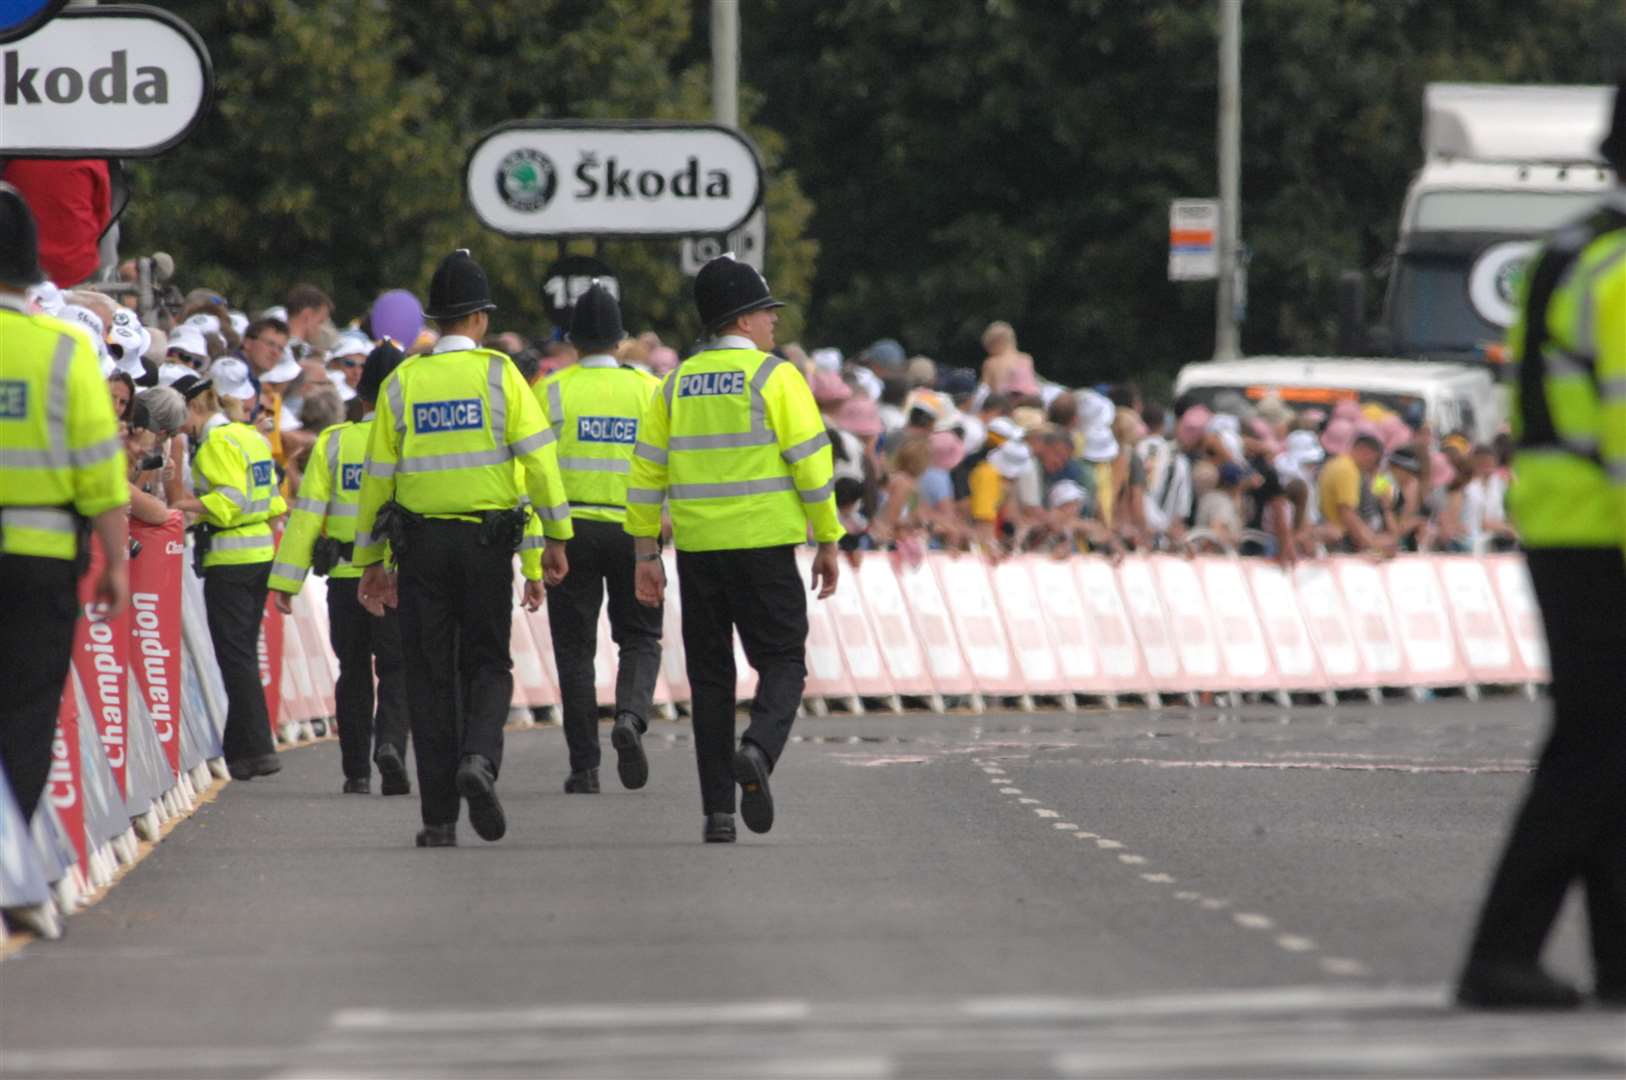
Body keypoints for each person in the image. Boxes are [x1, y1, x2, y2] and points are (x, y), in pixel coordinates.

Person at [1456, 83, 1626, 1011]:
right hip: (1604, 529)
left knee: (1607, 743)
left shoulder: (1573, 247)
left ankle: (1615, 956)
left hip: (1568, 524)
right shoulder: (1622, 269)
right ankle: (1500, 952)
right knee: (1596, 749)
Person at [352, 249, 572, 848]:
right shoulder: (501, 374)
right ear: (477, 318)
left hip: (419, 547)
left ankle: (439, 819)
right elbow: (540, 462)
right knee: (487, 663)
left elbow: (377, 477)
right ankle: (479, 757)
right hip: (485, 546)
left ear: (437, 319)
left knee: (428, 676)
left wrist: (369, 560)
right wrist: (555, 537)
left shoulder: (402, 382)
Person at [625, 254, 842, 843]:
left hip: (697, 553)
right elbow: (812, 466)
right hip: (766, 546)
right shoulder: (776, 378)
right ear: (742, 321)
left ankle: (718, 812)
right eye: (768, 312)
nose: (774, 322)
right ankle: (758, 750)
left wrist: (646, 554)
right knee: (783, 662)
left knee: (711, 680)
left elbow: (645, 476)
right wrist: (828, 537)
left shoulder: (673, 385)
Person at [0, 183, 130, 822]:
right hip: (40, 559)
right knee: (27, 709)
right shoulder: (66, 348)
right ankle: (9, 863)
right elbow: (101, 470)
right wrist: (117, 562)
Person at [535, 284, 663, 794]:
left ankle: (584, 767)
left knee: (573, 649)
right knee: (639, 637)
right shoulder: (649, 389)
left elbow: (535, 468)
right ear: (619, 339)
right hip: (634, 531)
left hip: (571, 530)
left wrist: (545, 534)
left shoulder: (552, 390)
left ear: (572, 338)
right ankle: (630, 717)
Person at [269, 343, 412, 797]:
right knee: (395, 670)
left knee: (352, 671)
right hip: (393, 579)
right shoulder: (410, 442)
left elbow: (307, 515)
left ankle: (356, 771)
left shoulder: (333, 442)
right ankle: (390, 746)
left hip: (346, 578)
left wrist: (286, 580)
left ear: (362, 394)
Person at [166, 369, 286, 780]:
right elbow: (270, 499)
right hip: (258, 553)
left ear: (192, 407)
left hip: (230, 558)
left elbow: (231, 498)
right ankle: (241, 751)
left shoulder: (215, 442)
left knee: (234, 658)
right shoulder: (247, 435)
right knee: (242, 654)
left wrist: (187, 505)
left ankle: (258, 750)